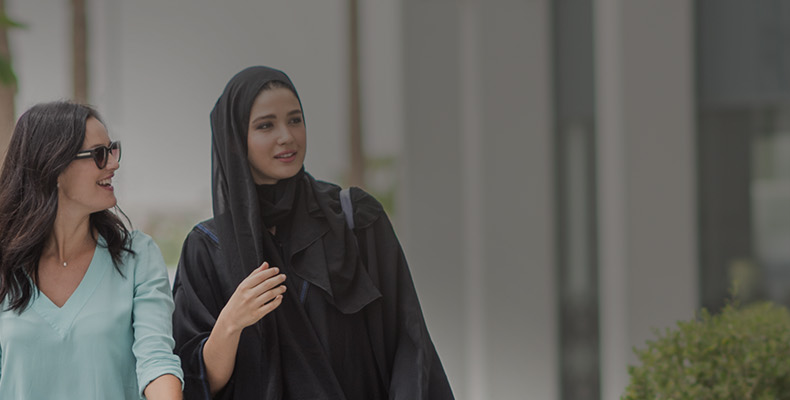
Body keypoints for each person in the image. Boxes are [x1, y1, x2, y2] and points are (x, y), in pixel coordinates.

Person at [172, 66, 452, 400]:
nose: (287, 136)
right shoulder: (208, 248)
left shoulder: (356, 220)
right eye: (265, 125)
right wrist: (231, 322)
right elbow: (194, 382)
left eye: (295, 119)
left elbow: (409, 343)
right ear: (235, 139)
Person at [0, 102, 184, 399]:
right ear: (54, 167)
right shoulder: (5, 265)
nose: (114, 163)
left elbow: (156, 362)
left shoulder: (138, 256)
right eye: (99, 154)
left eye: (112, 150)